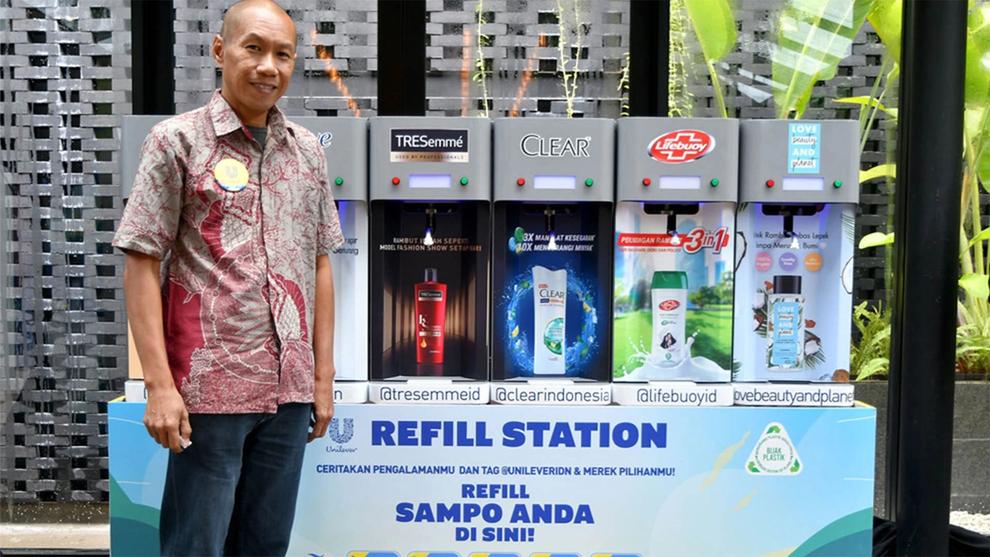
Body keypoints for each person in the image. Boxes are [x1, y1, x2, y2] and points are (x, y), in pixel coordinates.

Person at [113, 1, 342, 554]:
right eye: (254, 48)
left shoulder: (307, 151)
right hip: (209, 395)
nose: (269, 66)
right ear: (221, 51)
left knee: (265, 546)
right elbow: (141, 261)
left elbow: (319, 263)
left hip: (288, 395)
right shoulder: (177, 141)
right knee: (197, 545)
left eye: (283, 55)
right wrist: (159, 386)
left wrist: (322, 378)